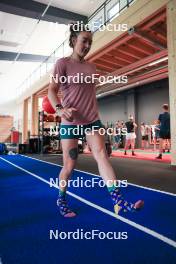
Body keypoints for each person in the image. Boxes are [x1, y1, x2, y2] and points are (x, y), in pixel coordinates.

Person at [48, 23, 144, 217]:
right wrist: (60, 109)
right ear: (74, 40)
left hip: (92, 120)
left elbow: (89, 93)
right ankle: (61, 199)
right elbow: (52, 90)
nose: (87, 45)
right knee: (69, 165)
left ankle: (119, 201)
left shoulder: (92, 66)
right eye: (84, 41)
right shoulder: (62, 63)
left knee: (102, 155)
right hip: (71, 121)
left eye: (90, 42)